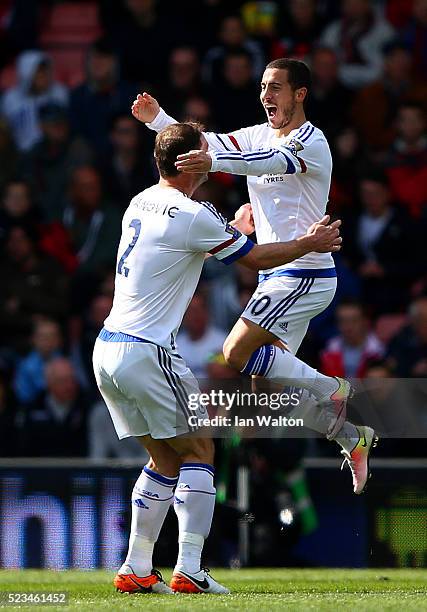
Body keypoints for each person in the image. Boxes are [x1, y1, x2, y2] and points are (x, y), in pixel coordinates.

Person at [92, 121, 342, 595]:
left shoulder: (140, 200)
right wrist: (307, 245)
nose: (212, 153)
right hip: (148, 352)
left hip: (107, 351)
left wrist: (233, 232)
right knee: (202, 449)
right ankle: (191, 570)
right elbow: (256, 261)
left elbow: (178, 249)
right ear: (189, 162)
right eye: (204, 148)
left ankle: (136, 568)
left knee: (165, 458)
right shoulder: (192, 214)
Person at [132, 58, 377, 495]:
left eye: (277, 88)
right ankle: (351, 437)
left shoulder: (310, 141)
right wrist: (160, 122)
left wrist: (213, 158)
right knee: (267, 386)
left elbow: (262, 163)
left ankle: (335, 388)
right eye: (264, 87)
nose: (267, 95)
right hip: (278, 277)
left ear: (300, 94)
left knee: (234, 350)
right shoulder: (255, 134)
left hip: (304, 271)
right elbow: (208, 141)